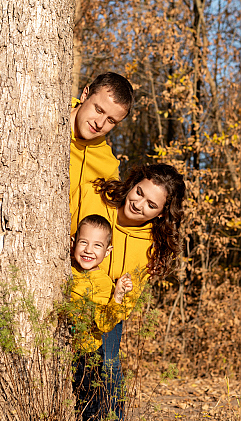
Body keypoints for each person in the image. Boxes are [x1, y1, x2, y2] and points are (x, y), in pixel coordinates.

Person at [70, 163, 186, 419]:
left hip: (108, 311)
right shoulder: (95, 200)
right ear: (132, 184)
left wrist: (113, 300)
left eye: (151, 205)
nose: (139, 204)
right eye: (139, 192)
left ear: (160, 214)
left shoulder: (150, 246)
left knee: (107, 371)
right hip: (70, 297)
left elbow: (128, 300)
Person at [70, 214, 133, 420]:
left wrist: (117, 297)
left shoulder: (104, 283)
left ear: (108, 252)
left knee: (89, 404)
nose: (89, 250)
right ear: (73, 243)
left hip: (87, 353)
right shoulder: (66, 270)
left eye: (97, 245)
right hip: (62, 349)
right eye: (84, 242)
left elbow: (105, 324)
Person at [70, 72, 134, 205]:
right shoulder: (46, 111)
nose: (99, 123)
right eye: (99, 110)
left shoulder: (107, 167)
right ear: (85, 95)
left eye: (111, 120)